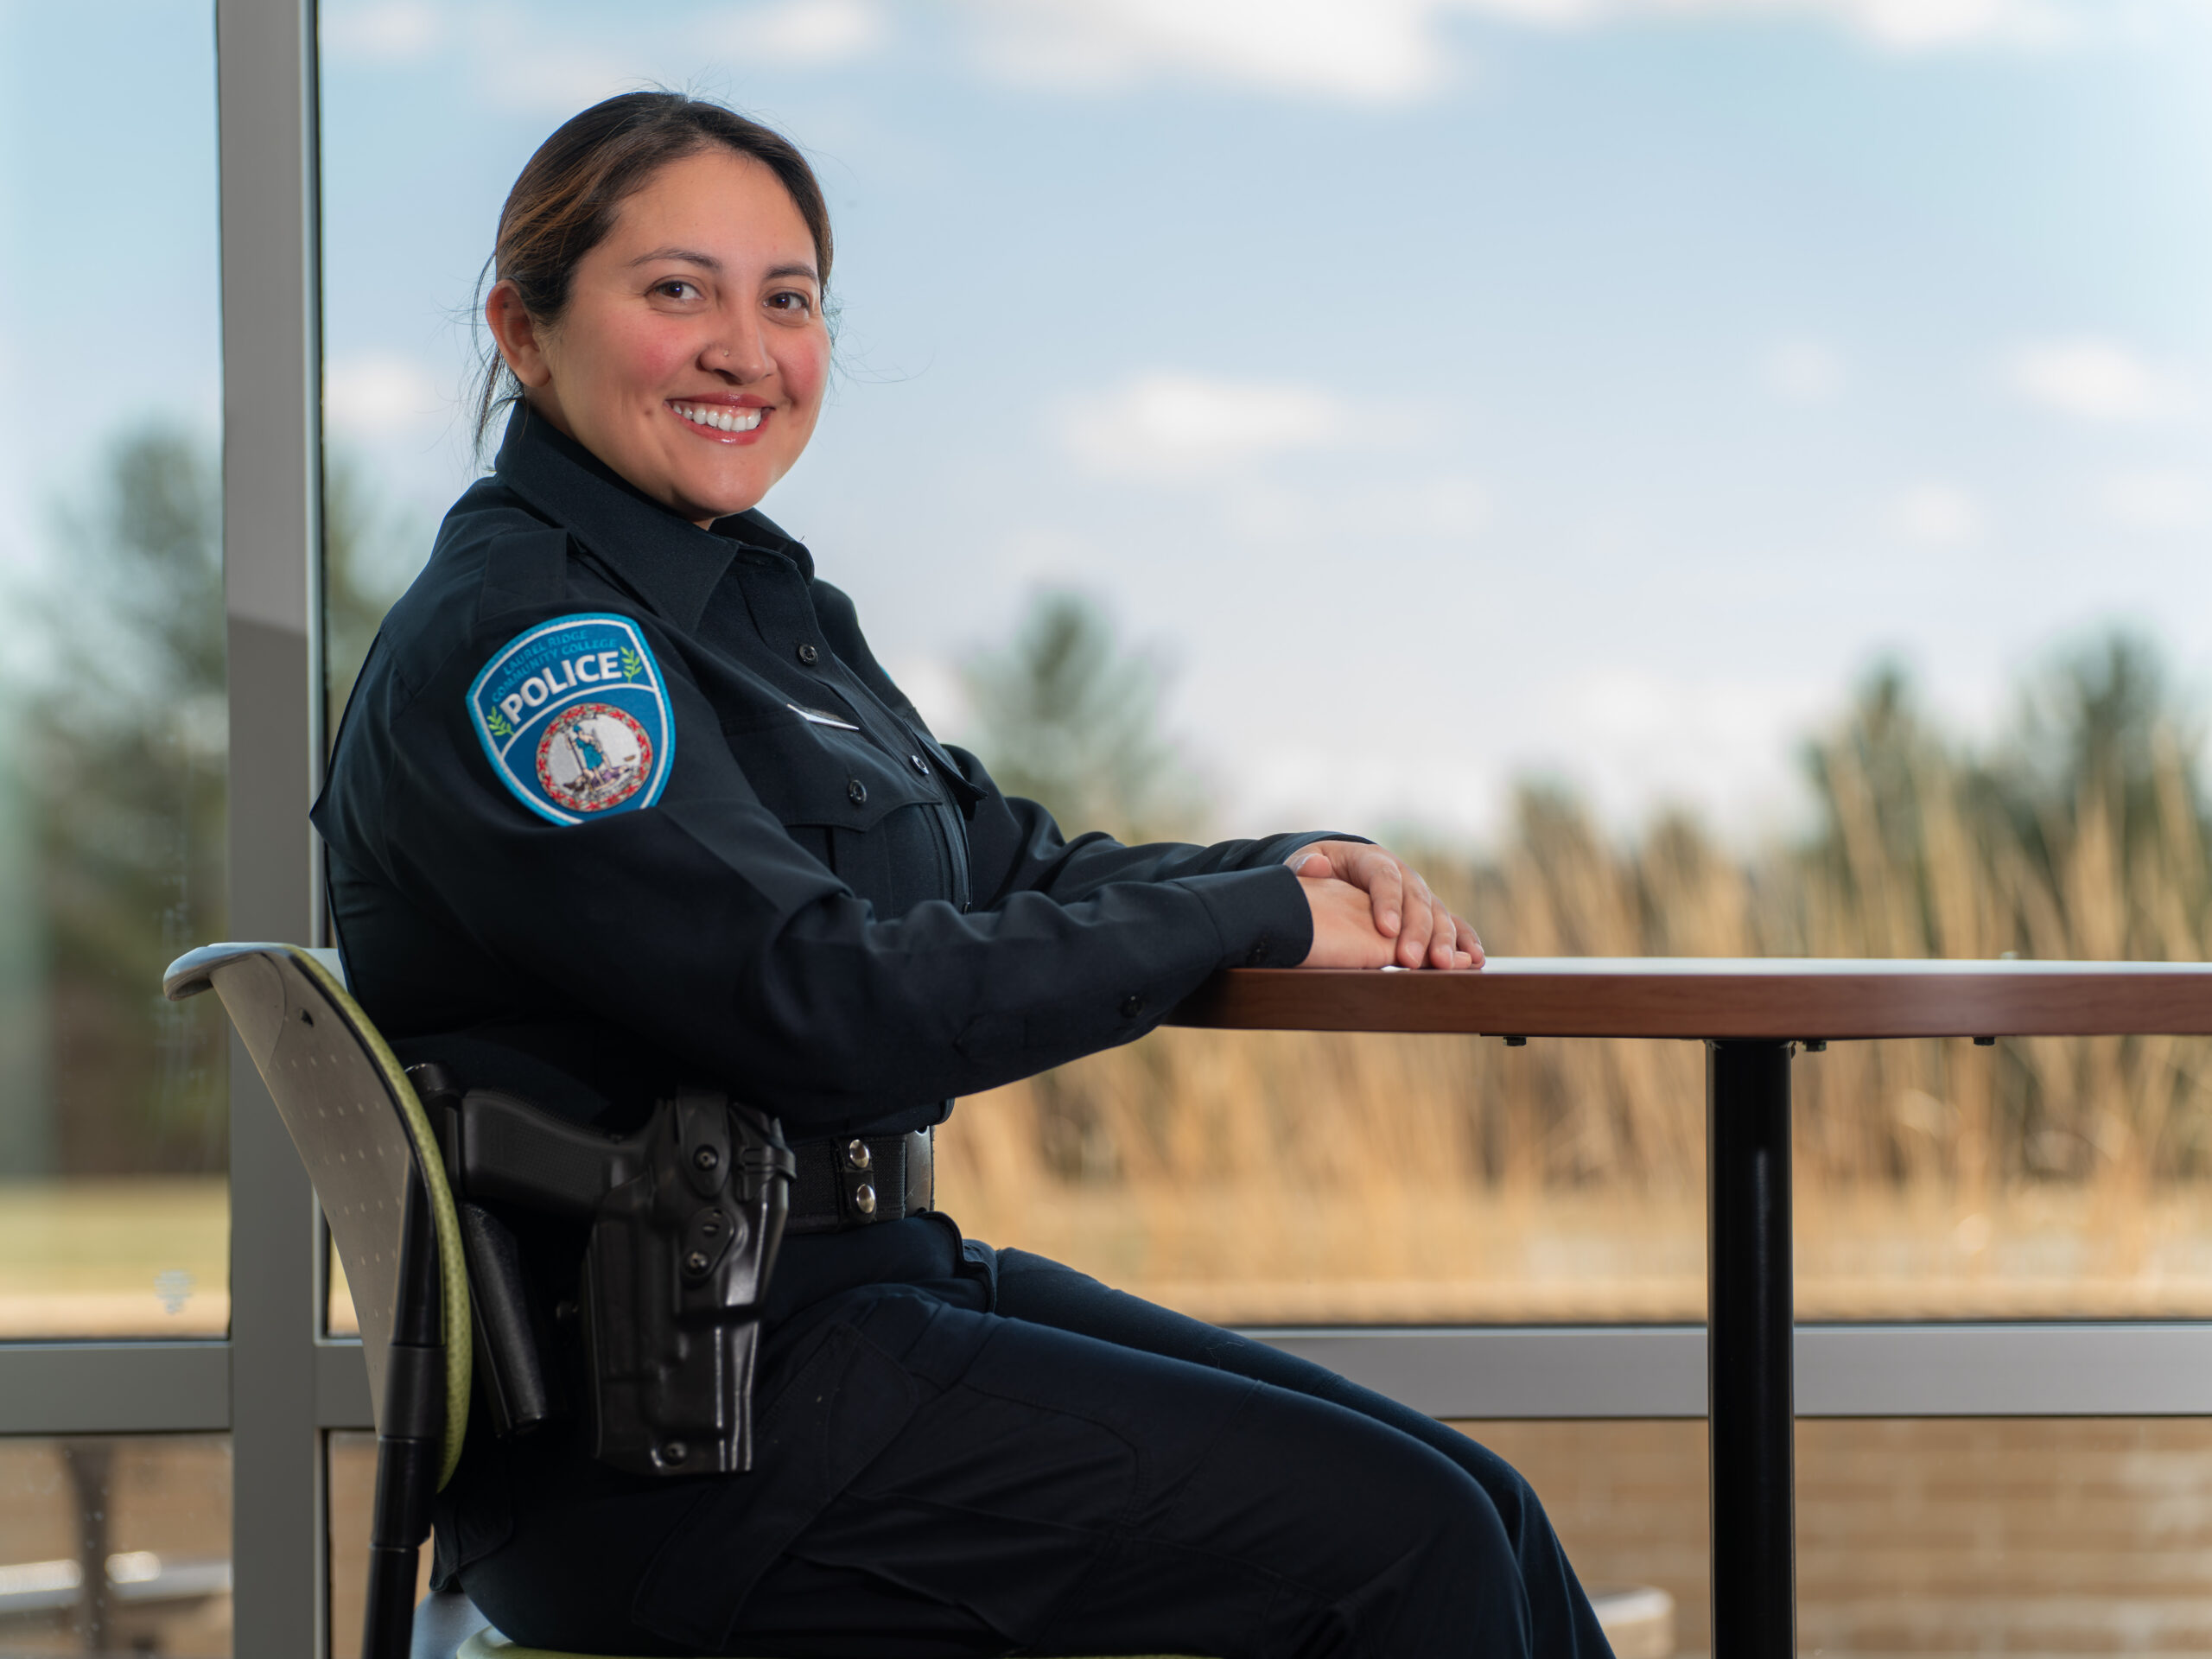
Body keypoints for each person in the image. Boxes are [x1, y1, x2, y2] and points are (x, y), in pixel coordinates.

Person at [314, 91, 1613, 1659]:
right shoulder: (536, 646)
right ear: (523, 332)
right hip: (685, 1442)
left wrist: (1282, 861)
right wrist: (1255, 919)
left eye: (786, 300)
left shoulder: (748, 606)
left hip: (853, 1306)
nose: (747, 348)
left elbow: (1003, 864)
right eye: (678, 292)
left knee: (1483, 1505)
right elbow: (825, 1000)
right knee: (1404, 1550)